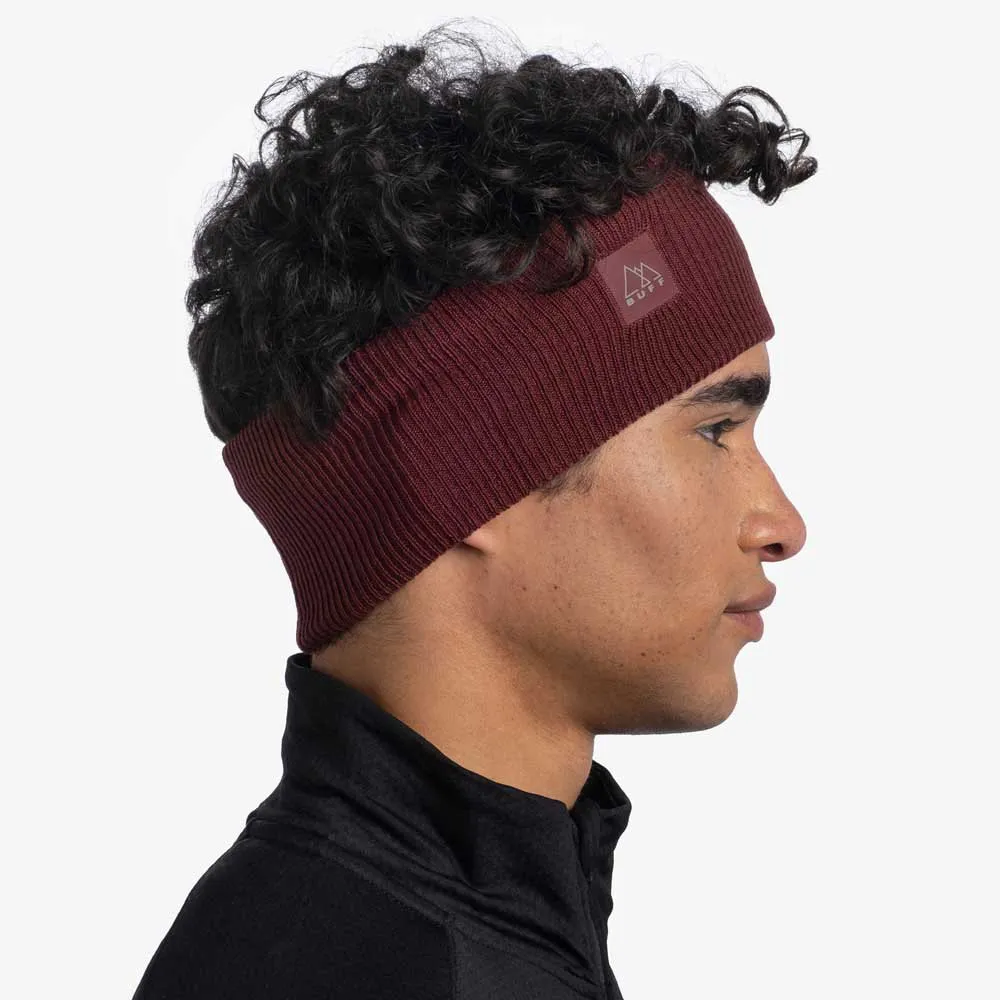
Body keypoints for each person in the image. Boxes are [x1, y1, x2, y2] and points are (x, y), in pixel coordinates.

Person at [132, 22, 815, 1000]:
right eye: (714, 431)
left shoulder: (420, 929)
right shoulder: (388, 968)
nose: (782, 523)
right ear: (463, 467)